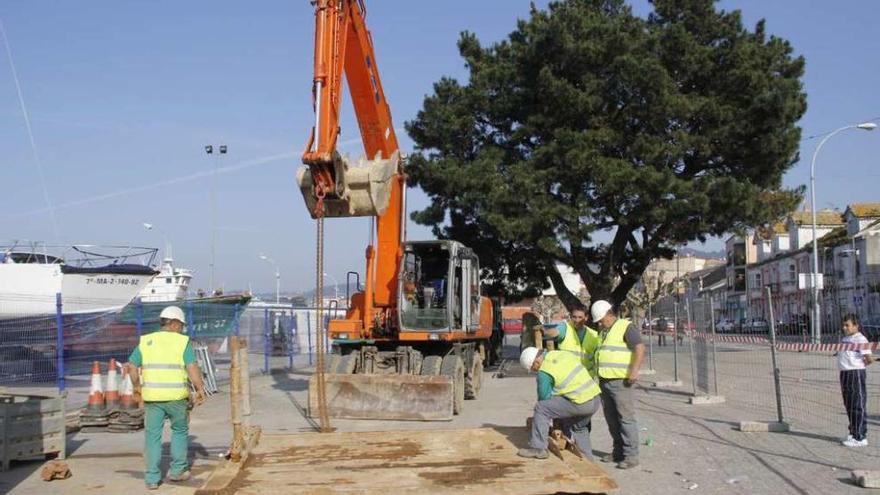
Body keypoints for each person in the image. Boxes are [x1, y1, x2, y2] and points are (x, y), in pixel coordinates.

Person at [127, 306, 207, 490]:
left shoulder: (146, 341)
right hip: (176, 397)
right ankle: (178, 471)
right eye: (181, 325)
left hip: (153, 398)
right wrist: (200, 388)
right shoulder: (182, 342)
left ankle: (152, 479)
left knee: (152, 436)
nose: (182, 329)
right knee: (179, 431)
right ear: (174, 323)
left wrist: (137, 387)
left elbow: (132, 366)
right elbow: (192, 367)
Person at [516, 346, 602, 460]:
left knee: (541, 409)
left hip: (581, 403)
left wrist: (542, 421)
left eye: (533, 368)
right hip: (595, 399)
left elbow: (544, 399)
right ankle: (589, 461)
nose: (534, 371)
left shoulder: (545, 371)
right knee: (579, 428)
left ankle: (538, 448)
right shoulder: (560, 354)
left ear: (536, 362)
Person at [592, 300, 646, 469]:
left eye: (601, 319)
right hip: (605, 380)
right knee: (612, 419)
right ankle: (618, 452)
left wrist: (634, 371)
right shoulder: (604, 332)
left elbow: (639, 347)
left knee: (625, 418)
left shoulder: (625, 326)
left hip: (621, 381)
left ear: (609, 314)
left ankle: (631, 455)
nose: (600, 323)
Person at [838, 314, 873, 448]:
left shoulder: (860, 339)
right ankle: (853, 432)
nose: (844, 327)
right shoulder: (846, 338)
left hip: (855, 373)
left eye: (847, 325)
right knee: (849, 404)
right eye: (844, 325)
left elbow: (869, 358)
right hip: (844, 373)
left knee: (857, 404)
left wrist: (859, 365)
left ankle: (860, 437)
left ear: (856, 326)